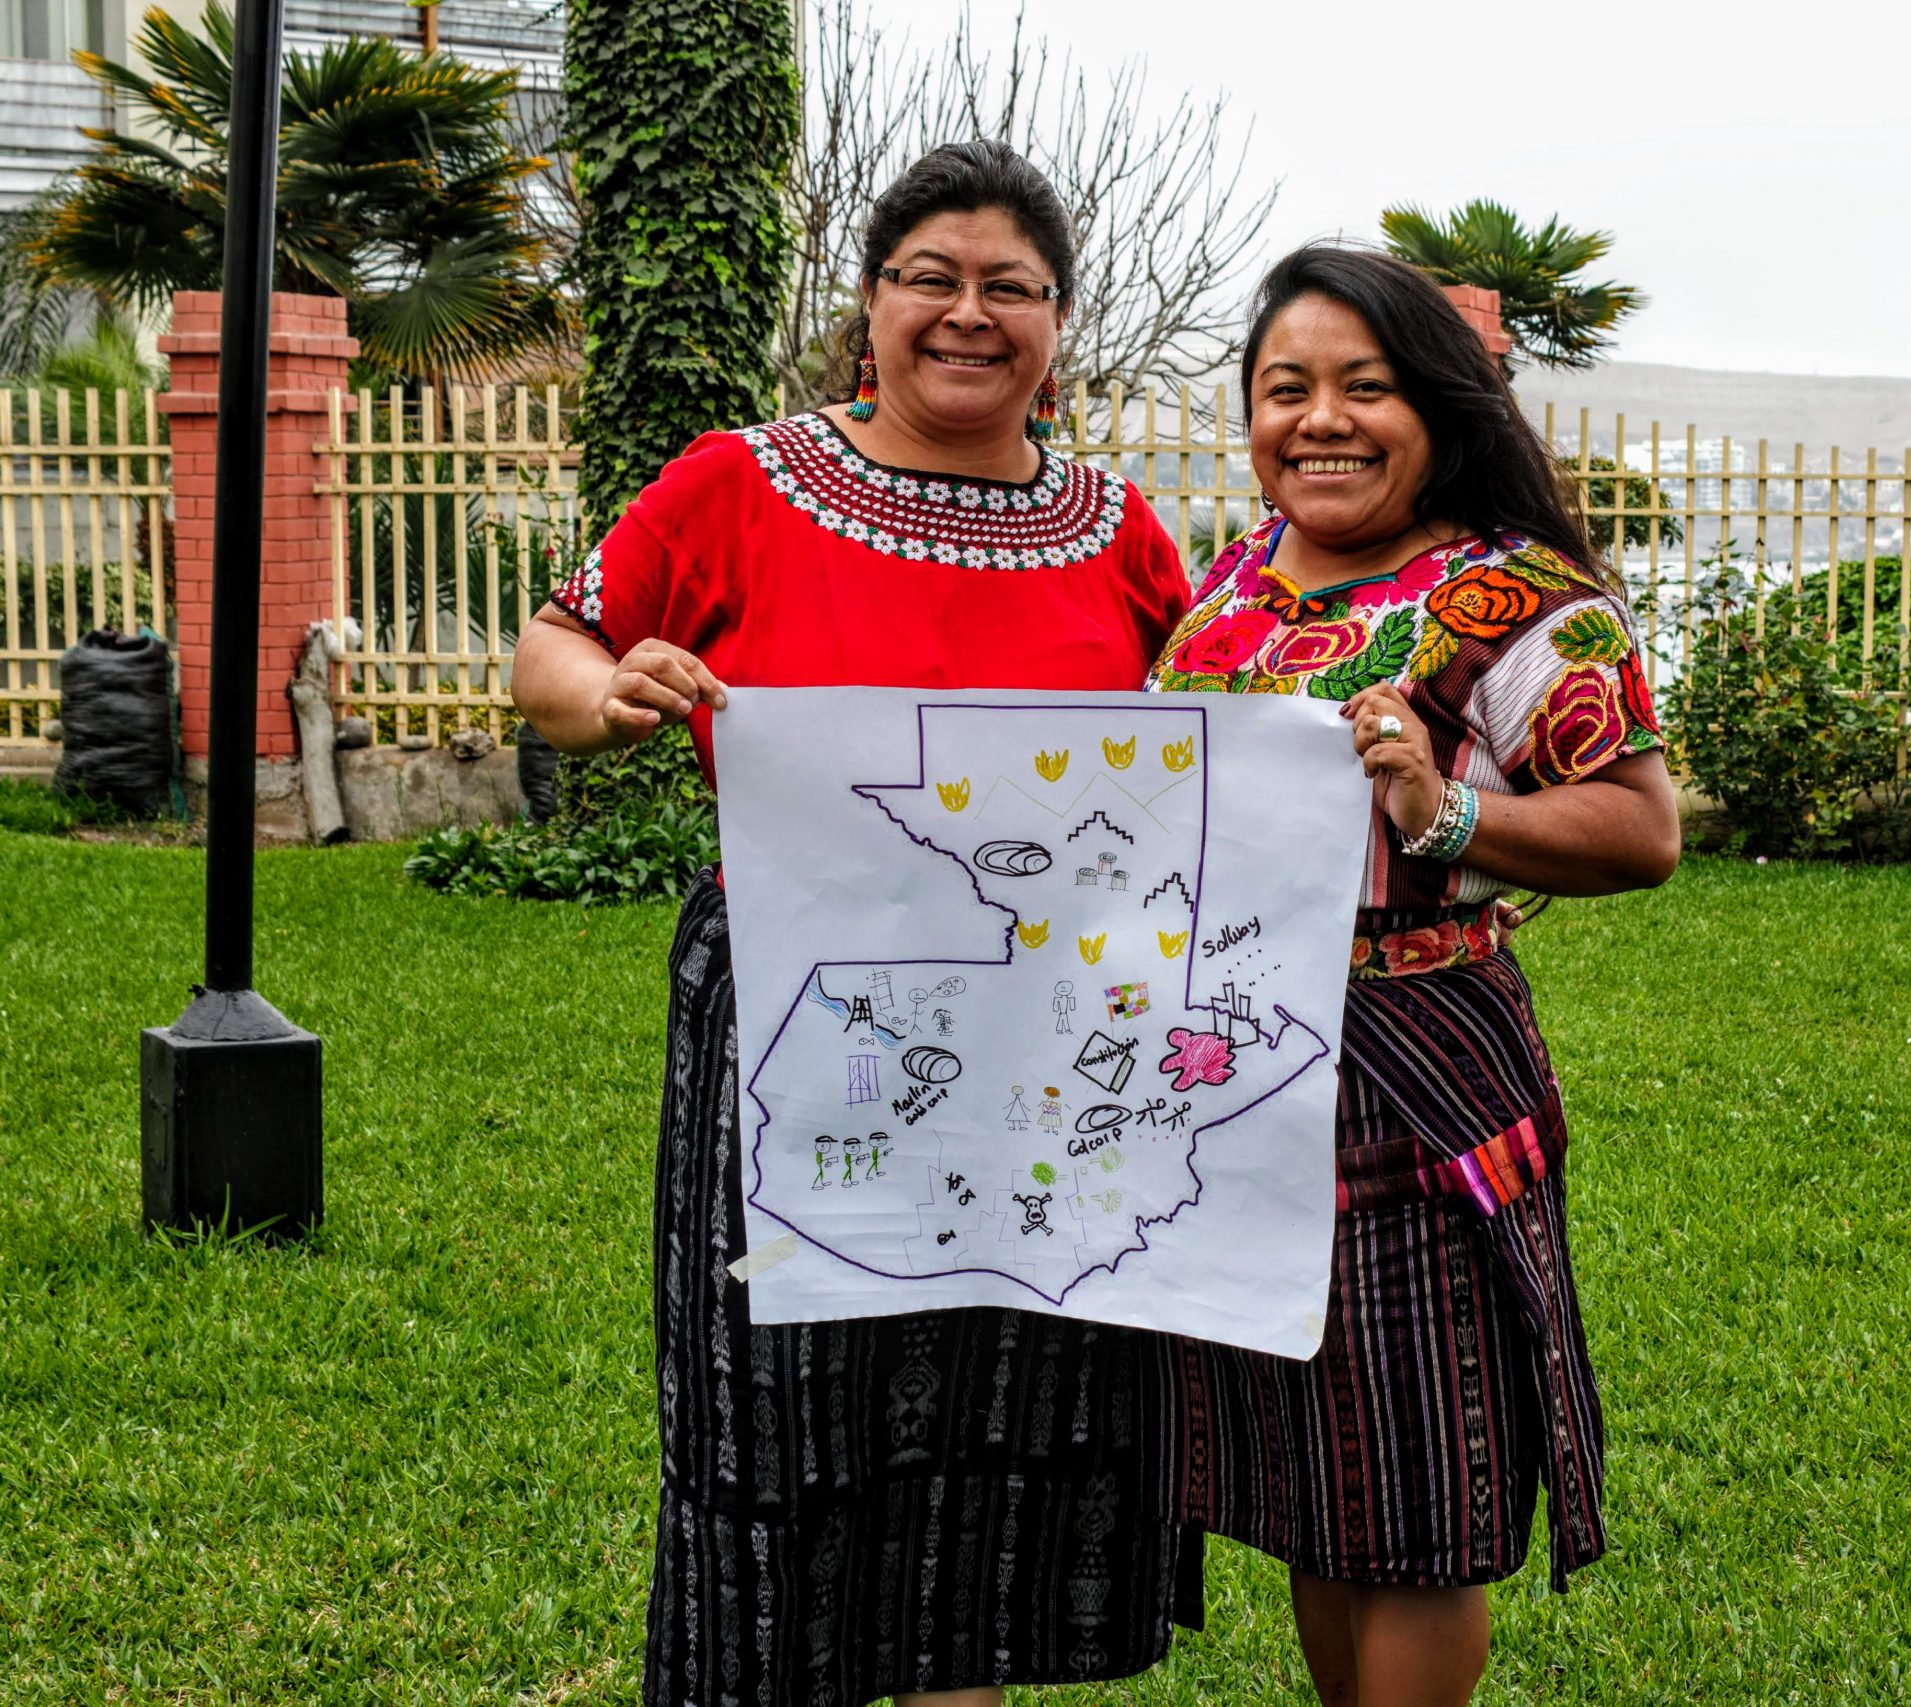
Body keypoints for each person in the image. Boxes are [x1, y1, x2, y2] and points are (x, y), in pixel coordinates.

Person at [512, 140, 1203, 1707]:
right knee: (789, 1388)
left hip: (1043, 1031)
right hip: (797, 1008)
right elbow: (558, 644)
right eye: (930, 279)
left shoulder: (1117, 529)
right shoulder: (737, 483)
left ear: (1059, 321)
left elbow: (1217, 723)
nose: (968, 314)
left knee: (997, 1392)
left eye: (1010, 287)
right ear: (873, 302)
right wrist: (609, 696)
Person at [1149, 247, 1683, 1706]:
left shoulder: (1517, 603)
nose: (1321, 420)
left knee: (1424, 1490)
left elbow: (1640, 831)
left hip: (1416, 1074)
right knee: (1321, 1476)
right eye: (1286, 388)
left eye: (1364, 387)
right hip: (1240, 1073)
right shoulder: (1233, 585)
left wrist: (1444, 813)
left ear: (1438, 408)